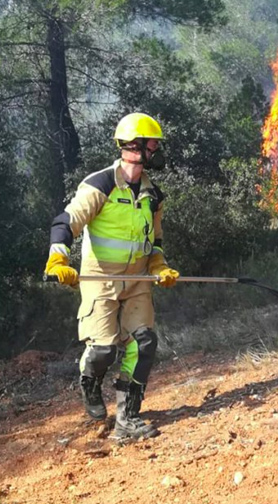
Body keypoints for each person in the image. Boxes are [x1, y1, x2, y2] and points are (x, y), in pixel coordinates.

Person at [44, 112, 179, 439]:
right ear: (136, 146)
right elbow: (65, 223)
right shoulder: (99, 184)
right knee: (104, 350)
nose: (158, 149)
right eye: (154, 144)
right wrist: (57, 260)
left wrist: (160, 267)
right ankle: (90, 381)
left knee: (144, 343)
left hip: (138, 282)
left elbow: (155, 242)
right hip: (99, 280)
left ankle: (127, 419)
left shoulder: (153, 195)